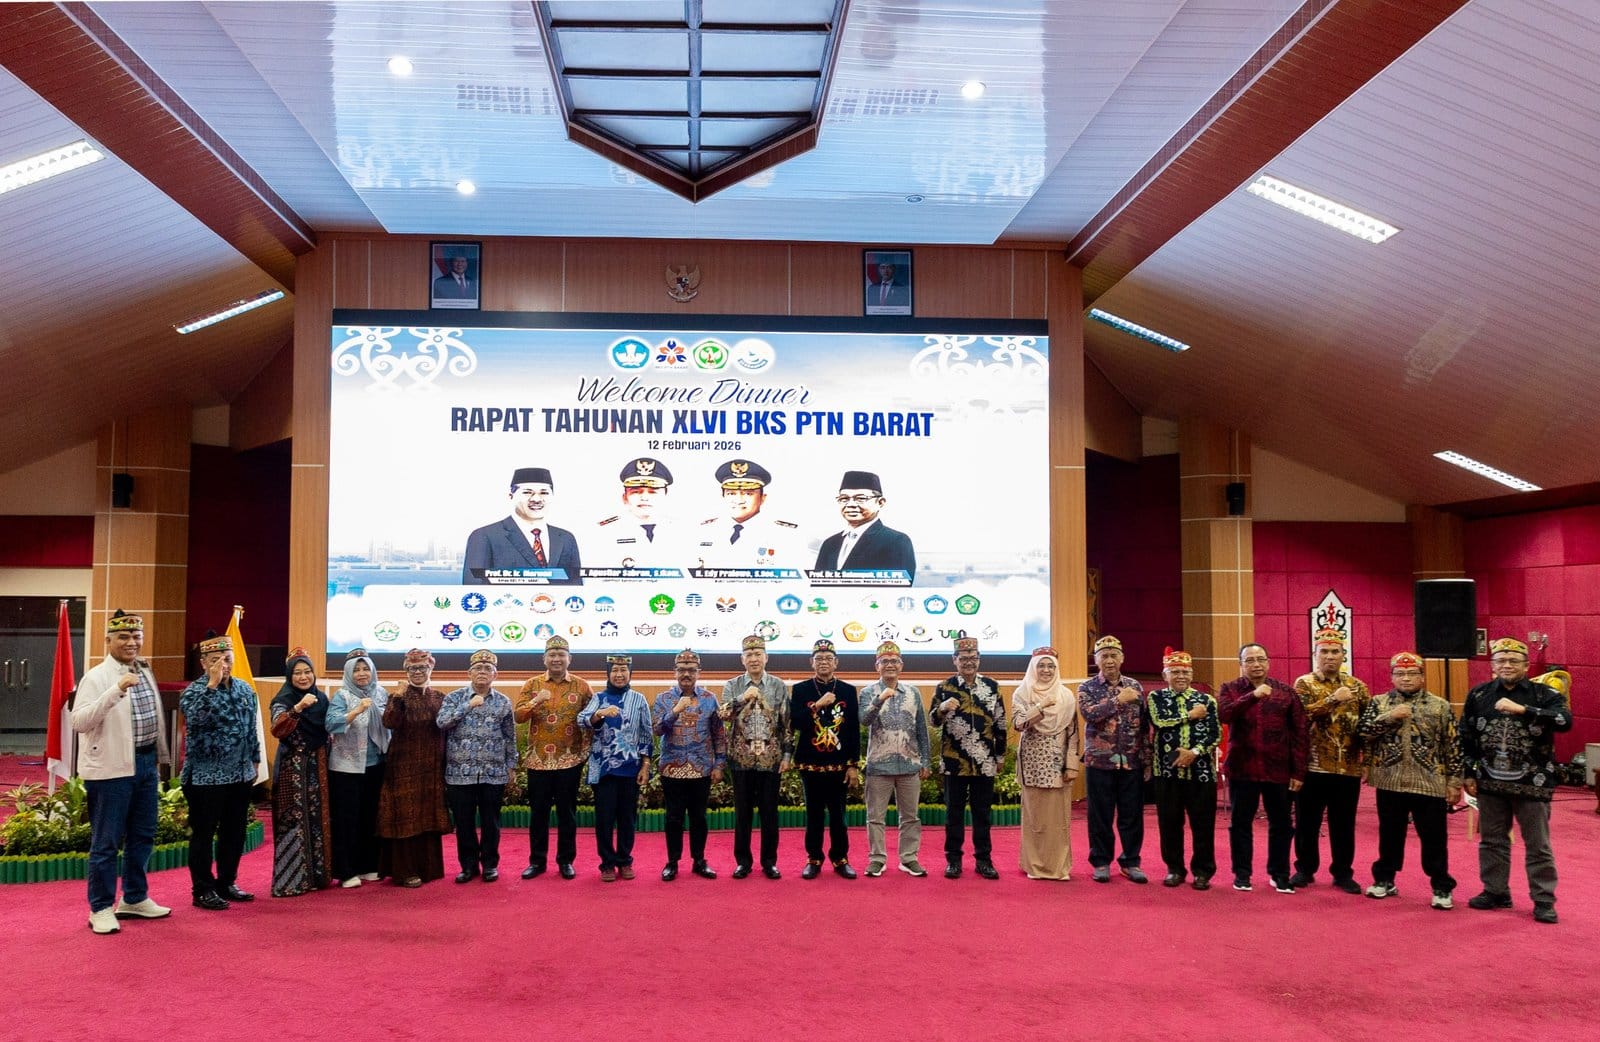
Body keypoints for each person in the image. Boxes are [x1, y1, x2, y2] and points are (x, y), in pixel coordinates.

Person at [71, 609, 172, 934]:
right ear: (109, 640)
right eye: (124, 637)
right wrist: (115, 690)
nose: (131, 642)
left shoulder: (144, 669)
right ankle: (100, 907)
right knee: (106, 842)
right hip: (110, 769)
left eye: (136, 636)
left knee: (143, 835)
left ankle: (134, 897)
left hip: (145, 764)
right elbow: (79, 721)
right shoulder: (97, 677)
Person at [1460, 636, 1572, 924]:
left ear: (1525, 665)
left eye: (1513, 660)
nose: (1507, 665)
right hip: (1489, 781)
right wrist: (1468, 772)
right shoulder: (1479, 694)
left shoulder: (1544, 693)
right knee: (1492, 841)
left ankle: (1544, 900)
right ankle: (1495, 891)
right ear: (1492, 665)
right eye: (1500, 660)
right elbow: (1466, 735)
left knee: (1538, 846)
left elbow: (1564, 721)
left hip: (1533, 783)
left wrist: (1524, 710)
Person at [1358, 651, 1462, 909]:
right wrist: (1389, 717)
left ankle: (1441, 886)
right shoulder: (1379, 702)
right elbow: (1362, 732)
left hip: (1429, 781)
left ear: (1422, 676)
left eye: (1412, 673)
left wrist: (1454, 782)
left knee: (1434, 837)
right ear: (1392, 677)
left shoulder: (1440, 705)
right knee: (1389, 834)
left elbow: (1453, 745)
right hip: (1389, 781)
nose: (1406, 678)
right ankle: (1384, 879)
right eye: (1400, 674)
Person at [179, 633, 262, 910]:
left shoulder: (245, 689)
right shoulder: (194, 692)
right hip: (205, 777)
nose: (222, 664)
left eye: (226, 658)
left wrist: (255, 758)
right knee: (203, 834)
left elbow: (251, 728)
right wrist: (212, 685)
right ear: (203, 663)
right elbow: (195, 718)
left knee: (234, 832)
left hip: (240, 774)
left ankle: (227, 882)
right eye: (215, 660)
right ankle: (202, 889)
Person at [1218, 643, 1308, 893]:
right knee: (1240, 823)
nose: (1256, 664)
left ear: (1268, 662)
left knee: (1281, 824)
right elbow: (1224, 715)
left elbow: (1300, 733)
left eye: (1261, 659)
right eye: (1250, 660)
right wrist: (1253, 696)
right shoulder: (1230, 689)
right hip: (1242, 768)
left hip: (1278, 769)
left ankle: (1280, 874)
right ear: (1241, 665)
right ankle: (1242, 874)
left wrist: (1298, 771)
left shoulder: (1286, 692)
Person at [1290, 627, 1371, 893]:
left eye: (1335, 652)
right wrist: (1332, 699)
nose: (1330, 656)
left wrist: (1368, 761)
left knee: (1344, 824)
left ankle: (1343, 873)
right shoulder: (1304, 683)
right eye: (1324, 651)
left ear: (1343, 655)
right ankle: (1305, 869)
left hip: (1348, 767)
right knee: (1307, 822)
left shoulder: (1358, 686)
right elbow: (1299, 717)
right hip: (1313, 765)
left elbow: (1368, 727)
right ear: (1315, 655)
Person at [514, 634, 592, 879]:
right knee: (539, 814)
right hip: (538, 761)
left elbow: (591, 721)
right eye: (552, 655)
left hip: (570, 760)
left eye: (561, 655)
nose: (556, 659)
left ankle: (566, 861)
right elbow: (519, 717)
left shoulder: (582, 686)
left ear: (569, 658)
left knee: (567, 814)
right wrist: (536, 701)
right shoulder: (532, 685)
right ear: (544, 659)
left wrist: (585, 752)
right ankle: (537, 862)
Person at [437, 649, 518, 883]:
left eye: (488, 669)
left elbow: (510, 736)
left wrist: (511, 766)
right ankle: (468, 866)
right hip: (459, 773)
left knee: (491, 822)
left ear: (495, 674)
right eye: (478, 668)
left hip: (493, 773)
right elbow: (442, 722)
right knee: (464, 823)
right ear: (469, 673)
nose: (482, 672)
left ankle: (490, 865)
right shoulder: (454, 698)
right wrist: (468, 706)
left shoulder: (503, 701)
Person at [930, 636, 1007, 880]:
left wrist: (1000, 755)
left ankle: (984, 860)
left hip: (984, 762)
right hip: (954, 761)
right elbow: (933, 721)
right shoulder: (944, 687)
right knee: (953, 814)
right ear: (955, 660)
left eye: (973, 658)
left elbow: (1000, 723)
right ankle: (953, 860)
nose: (969, 662)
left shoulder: (992, 686)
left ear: (979, 659)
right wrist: (942, 708)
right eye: (963, 658)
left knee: (982, 814)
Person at [1077, 635, 1150, 883]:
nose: (1109, 660)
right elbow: (1089, 714)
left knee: (1132, 815)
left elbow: (1144, 725)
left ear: (1122, 658)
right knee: (1100, 815)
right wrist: (1118, 700)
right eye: (1104, 656)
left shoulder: (1135, 686)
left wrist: (1147, 759)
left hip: (1131, 760)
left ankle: (1131, 862)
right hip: (1100, 761)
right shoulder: (1087, 687)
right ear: (1096, 660)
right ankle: (1101, 862)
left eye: (1113, 655)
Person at [376, 648, 450, 887]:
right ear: (406, 670)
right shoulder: (398, 696)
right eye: (412, 668)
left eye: (422, 667)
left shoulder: (440, 697)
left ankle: (429, 868)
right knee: (405, 817)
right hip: (402, 769)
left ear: (431, 668)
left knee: (427, 815)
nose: (417, 672)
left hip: (431, 769)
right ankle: (405, 871)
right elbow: (389, 722)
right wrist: (397, 697)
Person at [1147, 647, 1220, 889]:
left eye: (1185, 672)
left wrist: (1194, 752)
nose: (1180, 676)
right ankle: (1174, 869)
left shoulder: (1207, 700)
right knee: (1169, 823)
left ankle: (1203, 871)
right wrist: (1190, 715)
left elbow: (1215, 734)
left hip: (1201, 772)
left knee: (1203, 824)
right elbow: (1160, 722)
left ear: (1192, 674)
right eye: (1175, 671)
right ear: (1164, 675)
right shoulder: (1156, 697)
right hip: (1166, 772)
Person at [720, 633, 791, 878]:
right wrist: (743, 697)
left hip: (771, 760)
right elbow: (723, 714)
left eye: (758, 654)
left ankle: (769, 862)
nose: (753, 659)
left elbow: (786, 724)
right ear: (742, 659)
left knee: (770, 813)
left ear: (766, 657)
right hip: (741, 760)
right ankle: (743, 862)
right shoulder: (733, 685)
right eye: (749, 655)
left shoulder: (778, 685)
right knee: (743, 814)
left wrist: (787, 756)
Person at [652, 648, 727, 881]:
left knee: (699, 818)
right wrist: (674, 711)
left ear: (698, 672)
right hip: (672, 768)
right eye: (682, 670)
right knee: (673, 818)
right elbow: (657, 730)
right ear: (675, 672)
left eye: (691, 670)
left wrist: (719, 764)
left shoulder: (709, 698)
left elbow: (719, 734)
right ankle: (672, 862)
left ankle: (699, 860)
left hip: (701, 768)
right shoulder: (664, 699)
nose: (686, 674)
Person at [578, 654, 653, 882]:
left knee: (627, 819)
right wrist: (599, 713)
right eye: (615, 671)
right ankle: (607, 864)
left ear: (630, 673)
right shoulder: (599, 698)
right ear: (608, 674)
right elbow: (581, 720)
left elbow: (646, 734)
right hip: (604, 770)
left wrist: (645, 765)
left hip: (631, 769)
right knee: (604, 819)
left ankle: (625, 861)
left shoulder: (639, 699)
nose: (619, 675)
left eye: (623, 670)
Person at [859, 641, 931, 878]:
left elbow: (921, 729)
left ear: (901, 665)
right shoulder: (868, 692)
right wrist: (879, 700)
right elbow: (864, 721)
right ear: (877, 666)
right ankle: (877, 859)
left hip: (910, 765)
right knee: (875, 817)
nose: (889, 665)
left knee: (910, 817)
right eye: (884, 661)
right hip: (879, 765)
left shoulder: (913, 692)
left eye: (894, 661)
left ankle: (909, 858)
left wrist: (926, 761)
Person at [790, 638, 861, 879]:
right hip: (810, 763)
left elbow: (852, 730)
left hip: (839, 764)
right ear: (811, 662)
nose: (823, 662)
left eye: (828, 658)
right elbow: (796, 723)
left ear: (836, 662)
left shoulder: (847, 690)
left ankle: (840, 859)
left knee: (839, 815)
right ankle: (814, 858)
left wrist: (853, 765)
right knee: (814, 815)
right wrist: (818, 705)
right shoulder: (801, 690)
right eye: (819, 658)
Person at [1012, 647, 1082, 881]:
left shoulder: (1066, 696)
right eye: (1041, 665)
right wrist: (1040, 706)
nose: (1046, 670)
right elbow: (1019, 724)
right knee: (1035, 818)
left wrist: (1072, 765)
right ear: (1033, 668)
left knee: (1058, 819)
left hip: (1058, 765)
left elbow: (1073, 732)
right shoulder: (1023, 693)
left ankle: (1058, 867)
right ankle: (1034, 866)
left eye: (1051, 666)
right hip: (1032, 764)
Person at [269, 648, 333, 897]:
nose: (304, 677)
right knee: (293, 821)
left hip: (318, 766)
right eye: (297, 673)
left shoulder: (321, 699)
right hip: (292, 769)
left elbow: (329, 728)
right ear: (289, 675)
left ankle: (319, 877)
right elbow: (278, 729)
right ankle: (291, 881)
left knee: (318, 819)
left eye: (307, 672)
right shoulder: (283, 700)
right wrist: (297, 708)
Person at [326, 647, 389, 889]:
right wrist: (355, 712)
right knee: (347, 820)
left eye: (366, 669)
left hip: (376, 765)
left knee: (371, 817)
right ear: (348, 673)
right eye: (357, 670)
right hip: (347, 768)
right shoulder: (342, 696)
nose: (362, 673)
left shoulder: (381, 693)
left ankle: (369, 865)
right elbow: (330, 724)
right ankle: (346, 870)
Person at [462, 467, 583, 585]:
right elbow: (473, 587)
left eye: (544, 493)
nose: (536, 499)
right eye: (527, 492)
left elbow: (576, 588)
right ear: (511, 496)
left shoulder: (566, 538)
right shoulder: (485, 536)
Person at [811, 471, 916, 581]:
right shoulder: (829, 544)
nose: (850, 504)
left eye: (861, 498)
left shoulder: (896, 541)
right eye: (844, 499)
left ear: (880, 502)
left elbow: (899, 585)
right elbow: (817, 584)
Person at [696, 459, 799, 570]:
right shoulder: (705, 531)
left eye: (748, 494)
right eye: (731, 493)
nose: (739, 500)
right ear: (723, 497)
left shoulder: (785, 535)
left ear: (762, 498)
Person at [596, 457, 685, 568]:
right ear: (625, 497)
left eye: (653, 492)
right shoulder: (604, 532)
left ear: (666, 496)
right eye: (636, 492)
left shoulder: (682, 530)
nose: (644, 498)